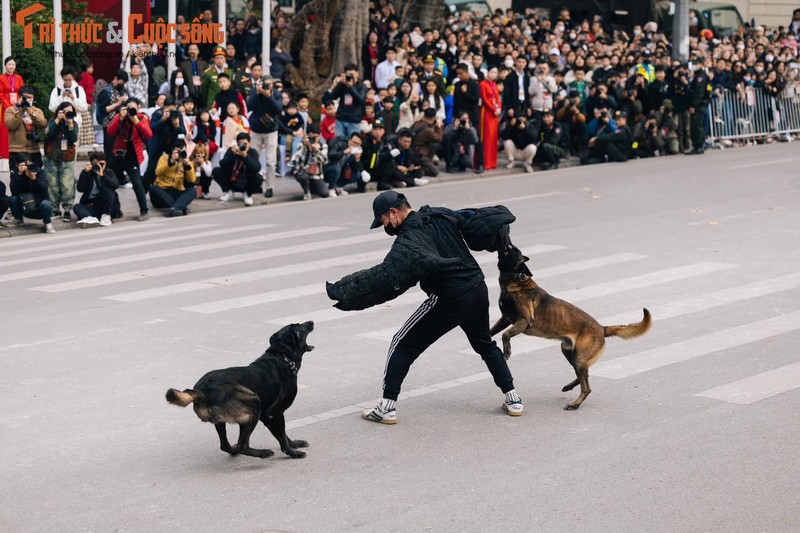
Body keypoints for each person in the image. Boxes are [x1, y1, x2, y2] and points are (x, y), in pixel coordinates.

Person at [326, 191, 524, 424]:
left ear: (393, 212)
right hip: (477, 288)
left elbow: (383, 278)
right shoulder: (441, 215)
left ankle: (387, 407)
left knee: (401, 343)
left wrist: (342, 291)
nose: (385, 226)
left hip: (450, 296)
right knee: (484, 343)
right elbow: (477, 221)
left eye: (384, 221)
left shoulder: (410, 237)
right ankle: (513, 399)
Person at [106, 97, 153, 221]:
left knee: (137, 183)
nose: (131, 110)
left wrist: (136, 121)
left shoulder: (142, 118)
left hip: (133, 155)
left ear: (138, 108)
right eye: (128, 108)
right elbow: (110, 132)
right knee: (107, 180)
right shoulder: (119, 117)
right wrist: (120, 118)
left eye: (133, 108)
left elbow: (149, 135)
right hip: (119, 154)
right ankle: (111, 210)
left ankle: (144, 211)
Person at [247, 75, 282, 198]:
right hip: (256, 130)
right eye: (265, 84)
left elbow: (278, 108)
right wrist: (258, 93)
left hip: (271, 130)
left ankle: (270, 187)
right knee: (253, 159)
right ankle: (255, 184)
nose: (267, 87)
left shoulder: (276, 94)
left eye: (269, 84)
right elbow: (248, 106)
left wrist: (269, 95)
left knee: (270, 161)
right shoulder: (255, 91)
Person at [44, 101, 79, 222]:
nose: (67, 114)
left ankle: (67, 210)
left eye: (70, 112)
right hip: (51, 156)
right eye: (65, 111)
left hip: (67, 158)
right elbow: (48, 135)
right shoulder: (53, 121)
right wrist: (57, 120)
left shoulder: (73, 123)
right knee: (52, 184)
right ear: (60, 111)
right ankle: (55, 209)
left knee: (67, 185)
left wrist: (69, 124)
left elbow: (73, 138)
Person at [5, 85, 47, 171]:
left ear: (33, 98)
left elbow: (43, 124)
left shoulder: (37, 111)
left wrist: (30, 111)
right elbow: (11, 125)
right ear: (19, 97)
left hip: (34, 150)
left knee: (37, 179)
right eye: (25, 97)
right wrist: (20, 110)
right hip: (17, 150)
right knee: (17, 180)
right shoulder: (10, 110)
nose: (27, 99)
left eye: (30, 97)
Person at [73, 151, 121, 228]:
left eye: (100, 164)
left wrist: (103, 175)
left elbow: (115, 185)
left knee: (107, 190)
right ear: (91, 163)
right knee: (77, 206)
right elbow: (80, 189)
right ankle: (90, 218)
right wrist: (85, 173)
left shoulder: (108, 172)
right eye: (96, 164)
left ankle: (106, 216)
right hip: (93, 205)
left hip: (106, 206)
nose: (98, 166)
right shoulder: (88, 173)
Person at [150, 139, 197, 216]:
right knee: (153, 188)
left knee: (192, 190)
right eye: (178, 152)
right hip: (162, 192)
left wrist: (188, 165)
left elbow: (192, 180)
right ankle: (179, 206)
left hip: (177, 191)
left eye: (182, 151)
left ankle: (174, 208)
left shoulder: (186, 161)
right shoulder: (165, 158)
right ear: (172, 151)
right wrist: (171, 162)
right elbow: (157, 173)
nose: (180, 154)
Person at [7, 158, 55, 233]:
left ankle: (47, 222)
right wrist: (19, 175)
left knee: (46, 204)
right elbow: (14, 192)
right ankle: (18, 219)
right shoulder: (16, 172)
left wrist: (34, 179)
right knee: (12, 199)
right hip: (24, 207)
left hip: (39, 207)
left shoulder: (40, 172)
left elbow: (44, 190)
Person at [213, 132, 262, 205]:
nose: (243, 146)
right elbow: (222, 165)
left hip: (246, 181)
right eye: (240, 144)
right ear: (237, 144)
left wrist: (246, 156)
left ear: (249, 144)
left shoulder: (252, 152)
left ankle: (247, 194)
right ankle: (229, 192)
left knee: (258, 177)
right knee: (216, 171)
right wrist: (231, 154)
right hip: (232, 180)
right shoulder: (232, 150)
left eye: (245, 144)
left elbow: (256, 168)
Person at [48, 67, 89, 148]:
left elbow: (84, 108)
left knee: (73, 150)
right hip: (60, 124)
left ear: (73, 77)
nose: (67, 82)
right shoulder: (57, 90)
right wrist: (61, 96)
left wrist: (73, 98)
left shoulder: (79, 90)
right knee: (59, 150)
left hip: (75, 124)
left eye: (69, 80)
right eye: (65, 80)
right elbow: (51, 107)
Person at [324, 64, 367, 138]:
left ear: (357, 74)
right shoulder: (343, 85)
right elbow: (334, 96)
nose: (350, 76)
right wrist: (340, 84)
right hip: (341, 118)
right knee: (339, 141)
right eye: (348, 74)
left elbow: (361, 100)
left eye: (352, 74)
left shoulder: (362, 86)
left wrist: (351, 87)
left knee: (353, 142)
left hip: (354, 119)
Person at [95, 69, 129, 162]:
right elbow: (103, 109)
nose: (122, 85)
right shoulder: (106, 91)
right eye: (121, 82)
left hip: (121, 125)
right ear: (116, 79)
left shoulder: (122, 90)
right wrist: (117, 104)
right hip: (109, 125)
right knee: (110, 150)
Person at [288, 126, 330, 200]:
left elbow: (325, 161)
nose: (313, 139)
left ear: (319, 136)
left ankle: (312, 188)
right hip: (302, 171)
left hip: (316, 175)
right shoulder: (301, 144)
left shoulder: (323, 146)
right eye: (311, 137)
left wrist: (317, 151)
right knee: (303, 177)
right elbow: (297, 160)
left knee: (325, 193)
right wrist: (305, 147)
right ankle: (306, 192)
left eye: (315, 137)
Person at [0, 56, 24, 160]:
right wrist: (8, 106)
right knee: (5, 129)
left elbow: (22, 92)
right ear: (5, 66)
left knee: (18, 127)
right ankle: (4, 153)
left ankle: (17, 150)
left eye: (13, 64)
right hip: (5, 107)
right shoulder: (1, 78)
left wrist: (20, 102)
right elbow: (0, 94)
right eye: (9, 64)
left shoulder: (18, 78)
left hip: (18, 106)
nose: (11, 66)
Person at [479, 66, 502, 170]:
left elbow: (497, 97)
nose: (493, 74)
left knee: (493, 137)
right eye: (492, 72)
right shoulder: (483, 84)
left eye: (495, 73)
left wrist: (499, 108)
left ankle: (492, 162)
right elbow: (484, 99)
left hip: (494, 114)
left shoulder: (494, 84)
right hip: (487, 112)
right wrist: (494, 109)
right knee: (486, 136)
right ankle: (485, 162)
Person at [411, 108, 443, 176]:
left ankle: (426, 163)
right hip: (419, 155)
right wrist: (439, 127)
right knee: (434, 172)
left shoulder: (417, 123)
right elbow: (439, 138)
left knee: (434, 144)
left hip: (412, 152)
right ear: (434, 117)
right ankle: (418, 169)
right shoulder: (428, 130)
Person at [687, 62, 711, 155]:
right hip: (701, 104)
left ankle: (698, 145)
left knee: (697, 125)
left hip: (699, 105)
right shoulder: (700, 75)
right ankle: (698, 145)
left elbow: (699, 92)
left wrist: (693, 104)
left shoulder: (700, 77)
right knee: (697, 124)